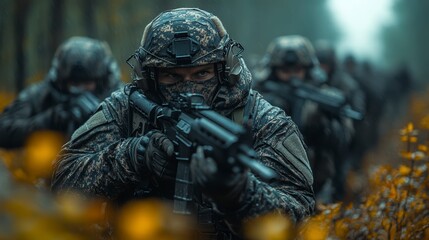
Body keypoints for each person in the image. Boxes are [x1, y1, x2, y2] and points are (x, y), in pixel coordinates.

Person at [51, 8, 314, 239]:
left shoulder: (263, 120)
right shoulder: (125, 108)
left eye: (202, 73)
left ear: (225, 70)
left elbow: (299, 216)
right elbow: (61, 187)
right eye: (170, 76)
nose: (187, 87)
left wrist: (240, 193)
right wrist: (133, 156)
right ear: (150, 77)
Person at [254, 35, 354, 203]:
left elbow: (345, 139)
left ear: (307, 70)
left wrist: (320, 123)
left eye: (297, 71)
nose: (292, 77)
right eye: (285, 71)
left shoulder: (322, 96)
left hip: (317, 186)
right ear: (273, 71)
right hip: (267, 184)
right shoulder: (260, 97)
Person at [0, 36, 122, 149]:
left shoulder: (118, 96)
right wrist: (50, 120)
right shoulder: (42, 95)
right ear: (61, 81)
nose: (80, 89)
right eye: (74, 83)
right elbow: (4, 129)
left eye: (87, 83)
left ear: (101, 80)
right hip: (50, 168)